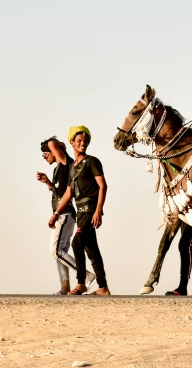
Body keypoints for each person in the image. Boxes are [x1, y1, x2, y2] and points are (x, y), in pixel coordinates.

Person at [48, 126, 111, 295]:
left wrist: (99, 210)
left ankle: (82, 283)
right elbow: (68, 193)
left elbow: (103, 186)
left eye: (85, 141)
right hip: (80, 210)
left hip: (90, 208)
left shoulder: (92, 161)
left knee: (77, 242)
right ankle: (103, 287)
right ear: (72, 143)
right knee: (92, 249)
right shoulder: (72, 168)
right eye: (79, 141)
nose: (83, 143)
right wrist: (56, 214)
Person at [36, 137, 97, 295]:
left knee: (55, 251)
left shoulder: (65, 163)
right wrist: (48, 183)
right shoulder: (57, 169)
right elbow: (60, 193)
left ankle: (86, 275)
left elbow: (53, 145)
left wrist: (50, 142)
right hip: (62, 214)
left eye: (45, 154)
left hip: (64, 214)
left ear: (53, 151)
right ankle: (65, 287)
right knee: (60, 251)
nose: (44, 157)